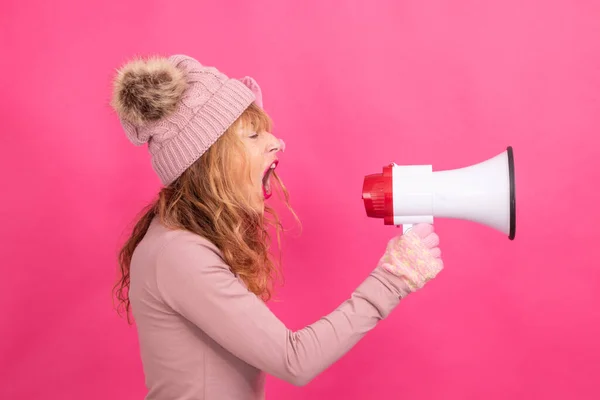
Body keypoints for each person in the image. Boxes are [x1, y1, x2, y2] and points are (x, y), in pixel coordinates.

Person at [110, 54, 444, 400]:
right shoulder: (178, 254)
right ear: (209, 160)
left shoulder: (180, 241)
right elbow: (294, 360)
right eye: (253, 135)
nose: (276, 142)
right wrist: (393, 278)